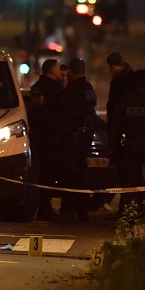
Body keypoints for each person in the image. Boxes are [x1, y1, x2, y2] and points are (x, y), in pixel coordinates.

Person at [109, 69, 145, 219]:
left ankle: (131, 213)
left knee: (130, 181)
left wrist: (114, 150)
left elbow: (115, 127)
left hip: (132, 144)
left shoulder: (125, 100)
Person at [28, 59, 66, 221]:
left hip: (40, 136)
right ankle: (45, 208)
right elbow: (55, 115)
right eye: (58, 69)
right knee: (48, 174)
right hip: (49, 137)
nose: (61, 72)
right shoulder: (53, 89)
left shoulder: (38, 87)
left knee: (43, 173)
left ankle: (44, 207)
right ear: (51, 70)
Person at [60, 58, 97, 222]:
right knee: (83, 173)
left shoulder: (72, 89)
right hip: (86, 134)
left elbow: (63, 112)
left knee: (70, 173)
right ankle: (83, 211)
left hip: (73, 136)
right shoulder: (88, 88)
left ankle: (69, 209)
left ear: (71, 72)